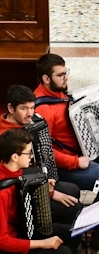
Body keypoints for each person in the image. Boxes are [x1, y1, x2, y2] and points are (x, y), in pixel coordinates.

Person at [33, 54, 99, 205]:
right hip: (65, 166)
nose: (66, 78)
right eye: (60, 75)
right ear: (46, 79)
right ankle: (95, 218)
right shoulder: (43, 110)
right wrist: (75, 162)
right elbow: (44, 152)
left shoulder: (58, 92)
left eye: (66, 73)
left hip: (83, 153)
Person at [0, 129, 79, 254]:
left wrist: (43, 186)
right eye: (29, 153)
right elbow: (3, 241)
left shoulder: (14, 169)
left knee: (74, 231)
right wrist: (43, 243)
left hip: (23, 226)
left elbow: (23, 188)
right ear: (15, 157)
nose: (31, 156)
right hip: (9, 243)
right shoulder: (2, 193)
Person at [1, 85, 81, 225]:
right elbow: (11, 175)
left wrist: (45, 178)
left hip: (35, 182)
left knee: (73, 190)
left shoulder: (32, 123)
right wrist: (48, 192)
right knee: (73, 208)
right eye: (24, 108)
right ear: (11, 108)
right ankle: (50, 233)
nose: (30, 114)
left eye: (32, 108)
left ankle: (55, 227)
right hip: (19, 196)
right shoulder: (4, 136)